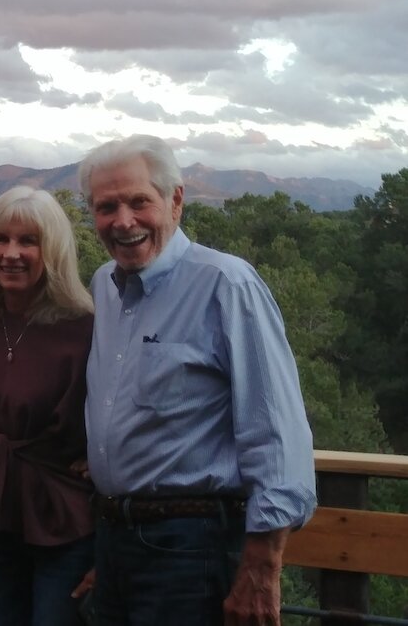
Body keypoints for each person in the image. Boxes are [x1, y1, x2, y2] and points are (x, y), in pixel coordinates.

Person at [79, 135, 316, 625]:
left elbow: (276, 430)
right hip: (114, 540)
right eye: (107, 207)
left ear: (176, 200)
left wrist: (262, 566)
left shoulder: (227, 284)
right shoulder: (104, 284)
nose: (123, 221)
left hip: (193, 547)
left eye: (139, 201)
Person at [0, 187, 96, 625]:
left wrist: (109, 455)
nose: (11, 253)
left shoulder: (85, 326)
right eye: (1, 239)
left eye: (28, 241)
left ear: (51, 252)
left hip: (64, 512)